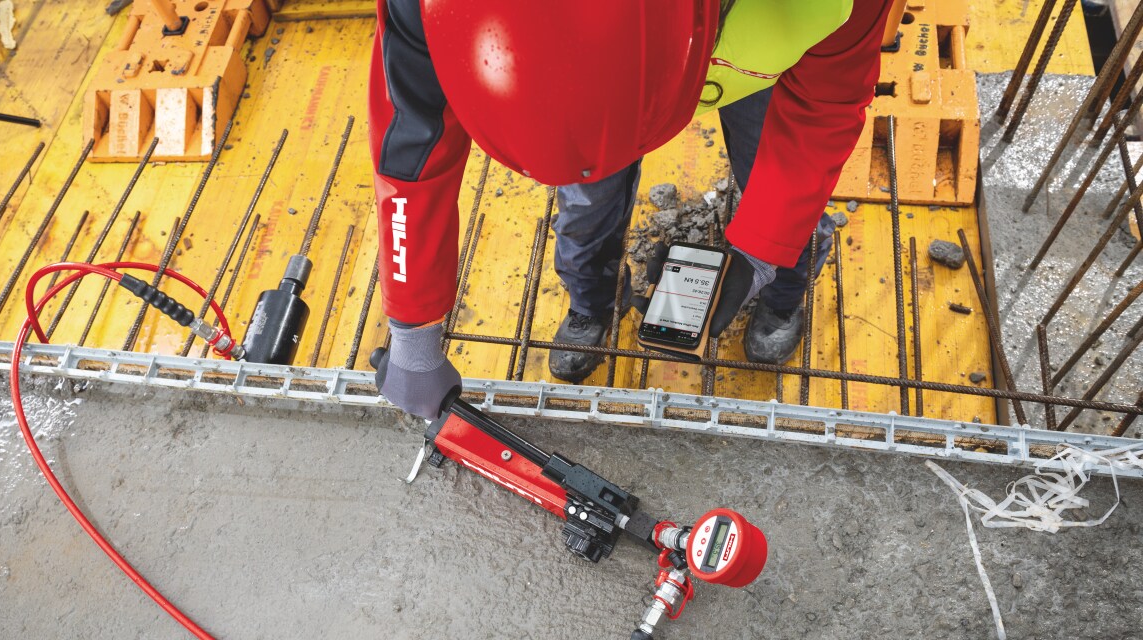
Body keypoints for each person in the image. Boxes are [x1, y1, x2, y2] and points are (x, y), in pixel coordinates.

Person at [370, 0, 897, 419]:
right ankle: (592, 302)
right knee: (586, 199)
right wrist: (412, 331)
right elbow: (409, 147)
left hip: (766, 55)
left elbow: (823, 108)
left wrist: (764, 247)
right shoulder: (423, 7)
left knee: (775, 183)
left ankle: (781, 296)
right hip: (595, 87)